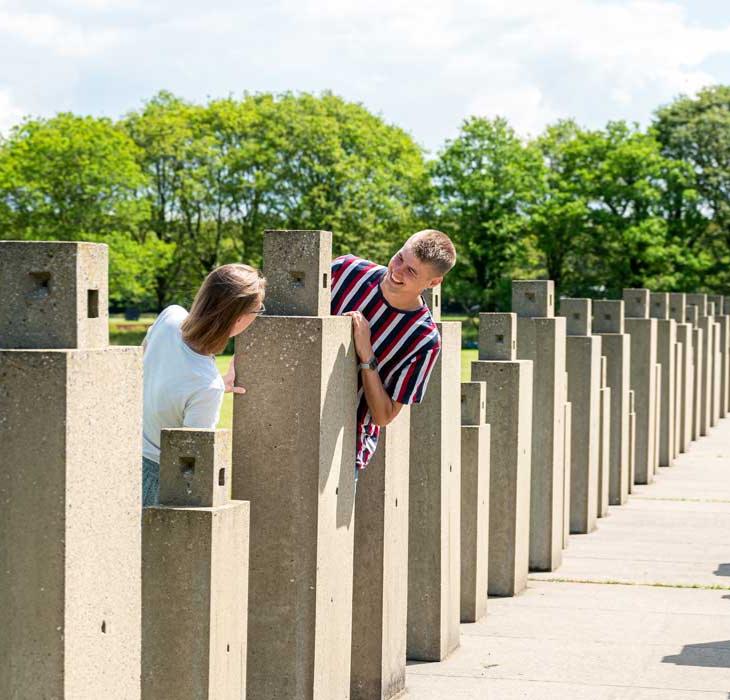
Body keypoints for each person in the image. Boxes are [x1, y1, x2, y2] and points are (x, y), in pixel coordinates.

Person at [331, 229, 456, 475]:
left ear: (433, 282)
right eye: (400, 257)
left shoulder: (424, 341)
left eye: (411, 271)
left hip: (343, 450)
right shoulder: (345, 270)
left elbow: (383, 416)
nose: (397, 271)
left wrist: (366, 355)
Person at [141, 263, 266, 506]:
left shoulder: (170, 316)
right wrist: (211, 389)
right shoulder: (206, 387)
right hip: (156, 483)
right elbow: (192, 463)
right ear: (239, 319)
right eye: (258, 310)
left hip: (122, 461)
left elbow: (149, 366)